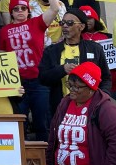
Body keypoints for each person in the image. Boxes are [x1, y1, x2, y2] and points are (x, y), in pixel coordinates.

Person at [0, 0, 59, 137]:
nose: (20, 11)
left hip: (39, 81)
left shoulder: (36, 23)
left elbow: (55, 8)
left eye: (23, 8)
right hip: (18, 84)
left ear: (28, 10)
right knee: (19, 127)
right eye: (16, 9)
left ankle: (46, 160)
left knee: (42, 125)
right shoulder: (4, 31)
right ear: (11, 13)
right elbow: (2, 58)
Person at [39, 9, 111, 137]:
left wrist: (101, 98)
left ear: (81, 26)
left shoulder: (95, 48)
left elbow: (105, 78)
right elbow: (42, 78)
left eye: (70, 23)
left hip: (89, 108)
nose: (65, 26)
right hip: (61, 107)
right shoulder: (52, 50)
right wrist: (62, 70)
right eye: (63, 23)